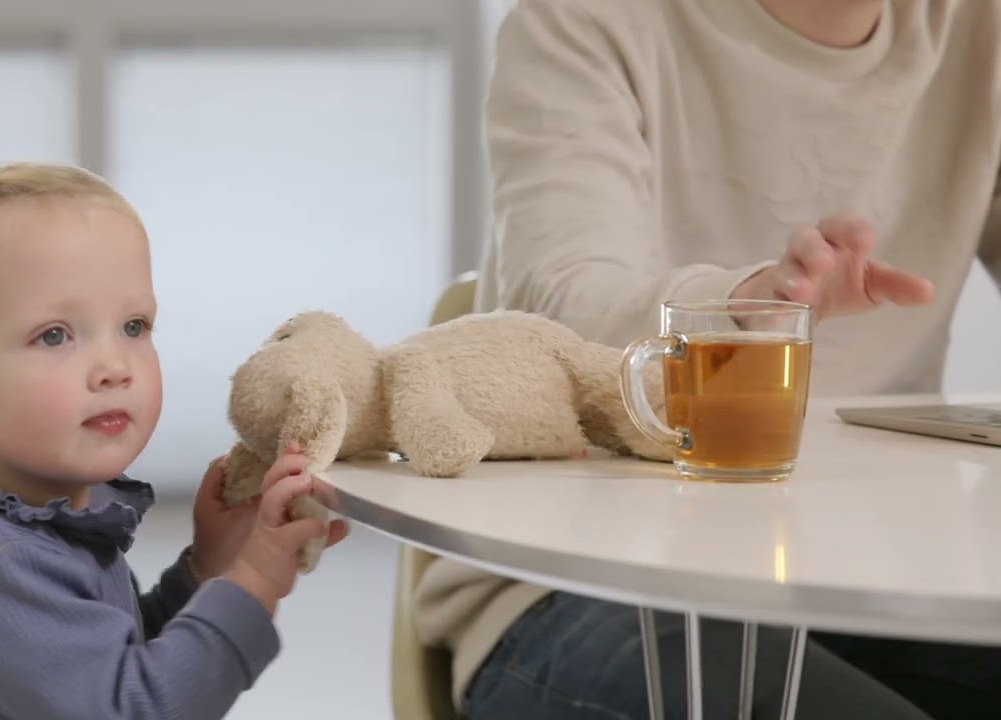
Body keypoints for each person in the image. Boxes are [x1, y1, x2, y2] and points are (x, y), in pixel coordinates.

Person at [416, 0, 1001, 718]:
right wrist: (743, 309)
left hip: (882, 576)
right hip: (585, 578)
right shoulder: (581, 19)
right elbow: (564, 303)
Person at [0, 161, 349, 719]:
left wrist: (209, 569)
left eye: (134, 326)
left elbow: (107, 667)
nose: (114, 366)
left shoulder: (32, 521)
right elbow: (137, 707)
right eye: (54, 335)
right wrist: (257, 579)